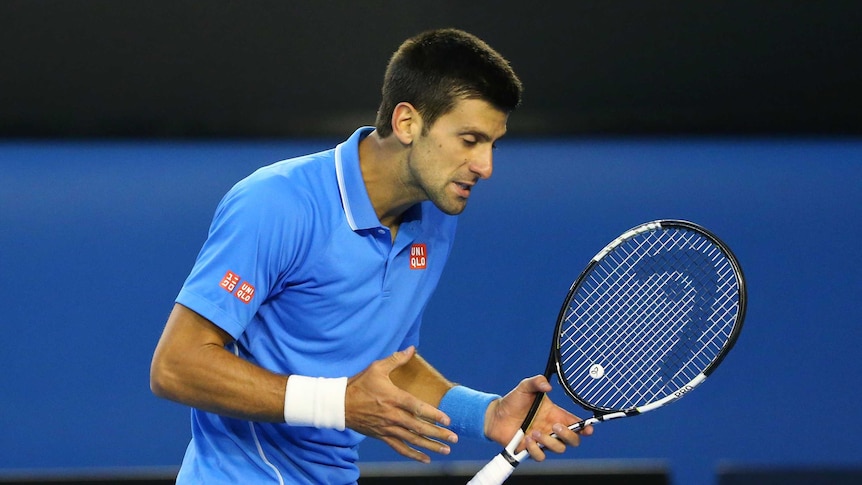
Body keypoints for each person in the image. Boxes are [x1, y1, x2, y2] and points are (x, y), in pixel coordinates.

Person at [150, 28, 592, 484]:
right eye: (469, 140)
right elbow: (177, 366)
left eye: (492, 144)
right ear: (406, 123)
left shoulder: (437, 216)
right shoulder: (277, 202)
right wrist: (338, 404)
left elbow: (387, 366)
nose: (485, 167)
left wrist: (489, 414)